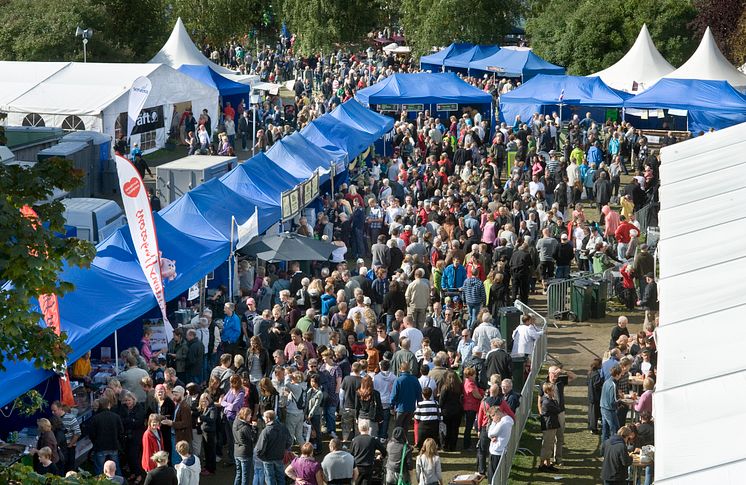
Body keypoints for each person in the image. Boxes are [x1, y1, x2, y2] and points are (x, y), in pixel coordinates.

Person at [89, 397, 124, 475]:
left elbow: (91, 434)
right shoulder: (116, 417)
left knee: (99, 469)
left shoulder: (95, 418)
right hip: (113, 445)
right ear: (109, 405)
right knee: (115, 467)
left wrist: (95, 442)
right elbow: (121, 431)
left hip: (100, 447)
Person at [256, 410, 293, 485]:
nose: (263, 418)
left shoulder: (266, 431)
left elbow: (259, 449)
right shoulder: (283, 427)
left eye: (264, 417)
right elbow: (289, 441)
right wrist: (284, 449)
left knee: (270, 478)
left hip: (268, 459)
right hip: (279, 457)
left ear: (268, 419)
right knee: (280, 477)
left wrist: (262, 457)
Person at [350, 420, 387, 485]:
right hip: (368, 467)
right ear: (368, 428)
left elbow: (351, 454)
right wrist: (380, 457)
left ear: (359, 428)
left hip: (357, 467)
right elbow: (384, 451)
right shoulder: (373, 440)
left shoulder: (355, 440)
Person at [220, 375, 246, 466]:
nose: (230, 383)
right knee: (229, 439)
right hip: (227, 417)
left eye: (232, 381)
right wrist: (228, 405)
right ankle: (231, 458)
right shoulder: (230, 390)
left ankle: (235, 459)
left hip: (234, 419)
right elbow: (222, 401)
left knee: (235, 439)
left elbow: (235, 407)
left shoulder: (241, 393)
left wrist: (227, 405)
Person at [390, 361, 422, 434]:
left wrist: (391, 406)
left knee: (398, 427)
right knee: (406, 427)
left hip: (400, 408)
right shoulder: (414, 379)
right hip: (411, 408)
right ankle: (404, 442)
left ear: (400, 369)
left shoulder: (398, 380)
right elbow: (419, 395)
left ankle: (397, 442)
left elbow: (393, 395)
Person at [51, 401, 81, 473]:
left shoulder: (71, 418)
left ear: (60, 409)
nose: (53, 412)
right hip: (59, 447)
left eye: (54, 411)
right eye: (52, 411)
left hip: (69, 447)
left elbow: (77, 432)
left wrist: (70, 445)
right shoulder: (53, 419)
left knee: (70, 467)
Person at [538, 382, 561, 472]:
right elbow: (557, 409)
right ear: (548, 391)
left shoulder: (548, 400)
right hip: (549, 426)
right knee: (547, 446)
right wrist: (555, 400)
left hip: (551, 425)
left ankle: (547, 463)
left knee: (550, 445)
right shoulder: (547, 402)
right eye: (552, 390)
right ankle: (541, 465)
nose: (554, 391)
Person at [487, 407, 513, 481]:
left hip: (497, 451)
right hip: (500, 450)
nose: (492, 419)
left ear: (497, 413)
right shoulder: (507, 419)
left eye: (492, 416)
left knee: (493, 475)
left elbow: (490, 433)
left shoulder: (502, 423)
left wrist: (494, 423)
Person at [600, 365, 623, 446]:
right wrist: (620, 401)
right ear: (617, 375)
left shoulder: (606, 381)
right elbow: (612, 401)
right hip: (609, 410)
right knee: (615, 429)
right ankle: (614, 449)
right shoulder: (613, 384)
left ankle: (604, 451)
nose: (621, 376)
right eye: (620, 374)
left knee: (605, 431)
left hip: (603, 407)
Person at [196, 393, 218, 476]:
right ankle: (207, 466)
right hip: (205, 432)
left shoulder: (212, 408)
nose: (203, 403)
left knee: (210, 451)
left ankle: (211, 469)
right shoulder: (206, 407)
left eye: (205, 401)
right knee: (206, 450)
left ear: (209, 400)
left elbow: (212, 419)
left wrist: (201, 418)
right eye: (202, 402)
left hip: (210, 433)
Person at [233, 407, 255, 485]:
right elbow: (253, 438)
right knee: (245, 476)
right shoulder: (245, 428)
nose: (250, 417)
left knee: (238, 474)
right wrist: (253, 428)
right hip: (245, 453)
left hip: (236, 452)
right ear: (245, 416)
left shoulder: (235, 422)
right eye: (249, 415)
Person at [587, 358, 604, 434]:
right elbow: (597, 385)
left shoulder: (590, 373)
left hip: (590, 394)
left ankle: (591, 425)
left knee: (591, 411)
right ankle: (593, 428)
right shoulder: (596, 374)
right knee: (595, 412)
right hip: (595, 395)